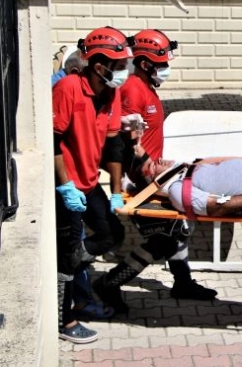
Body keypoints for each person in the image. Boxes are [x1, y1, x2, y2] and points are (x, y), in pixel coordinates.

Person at [92, 29, 218, 315]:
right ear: (145, 64)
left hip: (151, 176)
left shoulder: (145, 86)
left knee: (177, 230)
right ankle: (109, 283)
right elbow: (122, 142)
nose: (166, 68)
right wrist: (145, 173)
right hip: (139, 181)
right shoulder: (132, 90)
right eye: (161, 64)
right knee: (164, 239)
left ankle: (183, 282)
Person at [53, 26, 132, 343]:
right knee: (66, 257)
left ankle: (75, 262)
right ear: (99, 67)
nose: (125, 71)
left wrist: (115, 192)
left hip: (89, 182)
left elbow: (113, 147)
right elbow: (53, 140)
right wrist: (65, 186)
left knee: (113, 233)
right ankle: (65, 321)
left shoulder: (111, 93)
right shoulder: (69, 88)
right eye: (120, 65)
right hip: (67, 185)